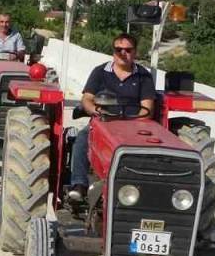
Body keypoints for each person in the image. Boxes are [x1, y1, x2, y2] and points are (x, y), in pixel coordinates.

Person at [66, 32, 156, 202]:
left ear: (135, 52)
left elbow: (147, 108)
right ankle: (79, 184)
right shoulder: (100, 72)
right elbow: (87, 98)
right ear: (113, 52)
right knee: (82, 139)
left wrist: (133, 125)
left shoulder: (144, 76)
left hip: (133, 124)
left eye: (128, 50)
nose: (123, 53)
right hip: (104, 121)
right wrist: (94, 110)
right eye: (119, 49)